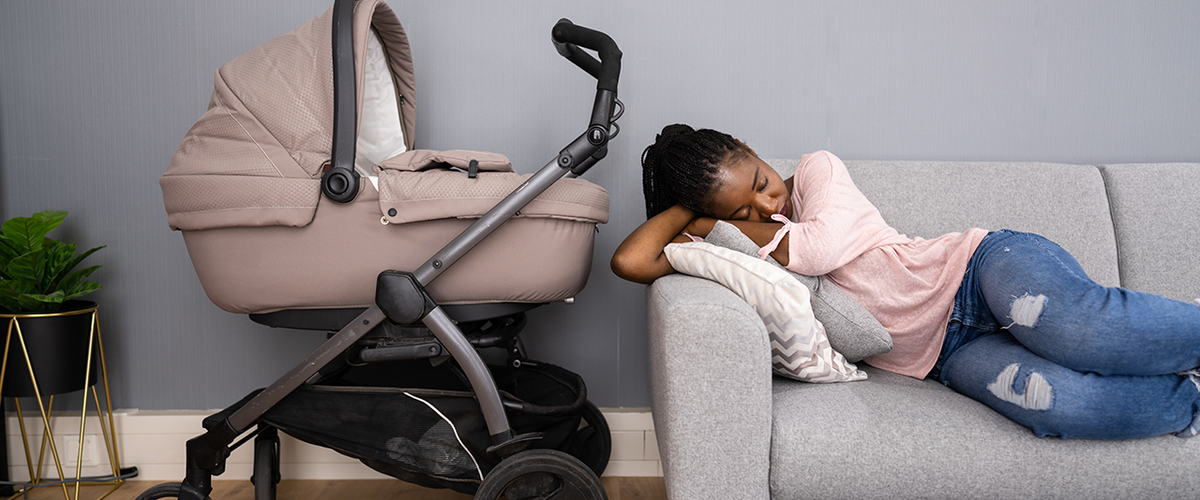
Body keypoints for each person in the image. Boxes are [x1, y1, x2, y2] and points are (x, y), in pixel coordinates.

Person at [611, 123, 1200, 440]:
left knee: (1068, 328)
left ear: (755, 150)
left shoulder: (818, 173)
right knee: (1056, 405)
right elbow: (631, 263)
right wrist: (693, 214)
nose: (767, 204)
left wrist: (724, 222)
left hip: (977, 269)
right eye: (746, 211)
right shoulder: (735, 237)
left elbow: (818, 251)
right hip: (946, 354)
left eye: (762, 180)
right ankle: (1191, 399)